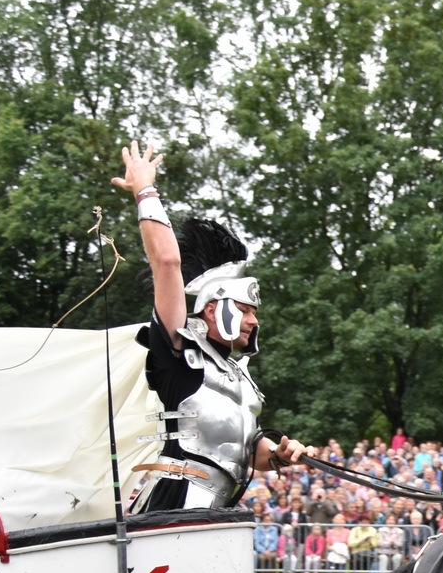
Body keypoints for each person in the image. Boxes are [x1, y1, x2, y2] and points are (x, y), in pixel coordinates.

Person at [111, 140, 313, 510]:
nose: (254, 320)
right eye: (245, 310)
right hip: (178, 499)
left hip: (222, 505)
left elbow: (243, 453)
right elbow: (168, 264)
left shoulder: (239, 375)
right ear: (211, 309)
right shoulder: (177, 350)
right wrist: (145, 189)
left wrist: (281, 453)